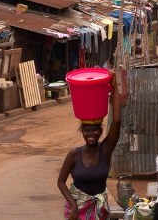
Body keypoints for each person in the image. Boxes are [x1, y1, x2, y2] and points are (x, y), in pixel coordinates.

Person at [57, 77, 125, 220]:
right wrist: (73, 206)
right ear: (82, 132)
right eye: (86, 130)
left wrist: (115, 88)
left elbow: (117, 121)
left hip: (99, 210)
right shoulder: (74, 154)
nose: (90, 134)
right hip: (77, 211)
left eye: (94, 129)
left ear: (100, 132)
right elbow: (61, 182)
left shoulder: (105, 150)